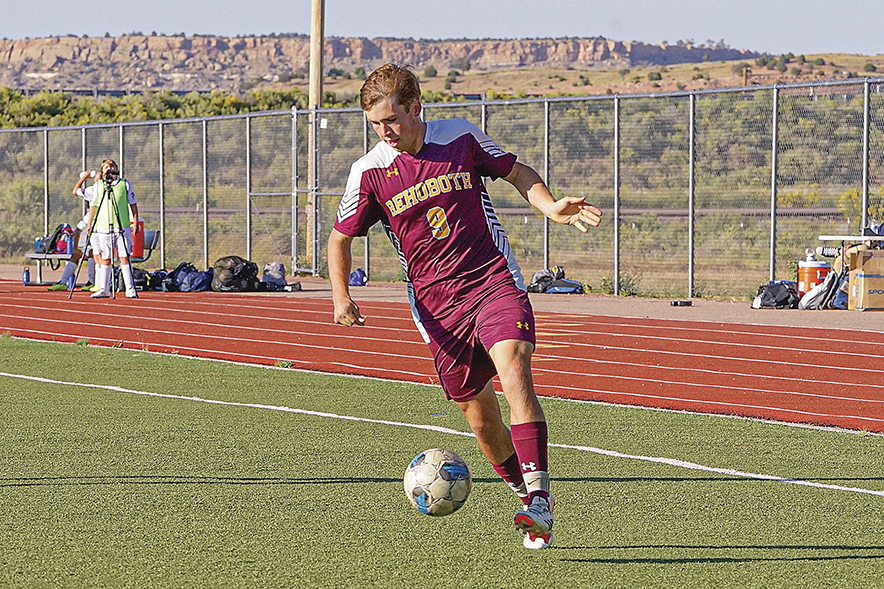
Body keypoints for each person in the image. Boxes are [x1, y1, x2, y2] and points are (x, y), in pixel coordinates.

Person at [327, 64, 602, 550]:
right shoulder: (367, 171)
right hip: (436, 309)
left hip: (493, 281)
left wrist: (550, 205)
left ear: (416, 107)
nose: (384, 132)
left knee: (514, 366)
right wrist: (342, 296)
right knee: (481, 420)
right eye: (375, 124)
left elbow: (516, 172)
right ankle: (524, 494)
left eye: (391, 119)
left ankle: (539, 496)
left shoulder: (459, 138)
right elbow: (340, 238)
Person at [73, 158, 140, 299]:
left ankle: (130, 288)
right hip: (103, 227)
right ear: (102, 172)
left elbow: (133, 203)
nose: (109, 169)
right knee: (106, 258)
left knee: (124, 257)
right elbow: (94, 205)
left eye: (111, 166)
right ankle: (104, 288)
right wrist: (90, 223)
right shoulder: (99, 186)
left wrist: (135, 220)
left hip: (121, 227)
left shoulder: (124, 184)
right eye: (105, 168)